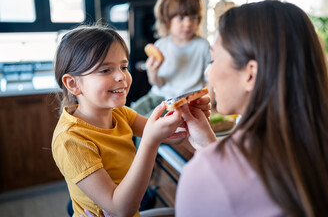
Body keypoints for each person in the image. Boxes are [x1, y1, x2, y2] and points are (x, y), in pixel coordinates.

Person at [175, 0, 328, 216]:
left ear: (250, 74)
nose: (208, 72)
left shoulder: (202, 176)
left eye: (213, 59)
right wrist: (209, 145)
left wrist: (212, 159)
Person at [51, 24, 210, 217]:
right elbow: (120, 209)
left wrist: (188, 118)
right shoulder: (70, 140)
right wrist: (150, 141)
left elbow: (172, 137)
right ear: (73, 84)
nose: (121, 76)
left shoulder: (120, 113)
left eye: (123, 67)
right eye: (105, 70)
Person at [130, 0, 210, 117]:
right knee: (130, 115)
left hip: (183, 101)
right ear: (166, 20)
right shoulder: (161, 45)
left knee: (147, 124)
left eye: (193, 18)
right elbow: (158, 83)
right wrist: (152, 73)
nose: (188, 24)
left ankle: (144, 138)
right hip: (157, 95)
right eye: (181, 18)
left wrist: (208, 106)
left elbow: (209, 79)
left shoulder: (202, 46)